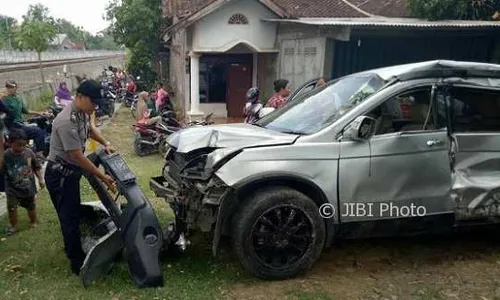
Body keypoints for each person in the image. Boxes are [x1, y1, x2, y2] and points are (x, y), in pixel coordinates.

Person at [44, 79, 117, 275]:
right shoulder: (66, 121)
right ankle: (77, 263)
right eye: (93, 102)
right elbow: (76, 155)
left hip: (70, 172)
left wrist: (105, 142)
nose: (95, 106)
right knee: (69, 217)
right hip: (60, 173)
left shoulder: (82, 112)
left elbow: (90, 130)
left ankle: (71, 247)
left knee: (71, 213)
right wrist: (102, 177)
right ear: (80, 97)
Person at [1, 129, 43, 235]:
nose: (21, 148)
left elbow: (36, 167)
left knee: (31, 206)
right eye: (18, 145)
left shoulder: (29, 153)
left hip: (28, 187)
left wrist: (41, 179)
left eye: (23, 145)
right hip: (12, 188)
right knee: (11, 207)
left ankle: (33, 221)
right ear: (10, 143)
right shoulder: (6, 155)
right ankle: (14, 226)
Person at [3, 80, 49, 157]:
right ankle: (39, 155)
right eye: (8, 87)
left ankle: (33, 151)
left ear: (16, 88)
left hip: (20, 124)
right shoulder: (4, 99)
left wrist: (40, 113)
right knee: (39, 132)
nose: (9, 89)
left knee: (36, 127)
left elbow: (26, 111)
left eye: (12, 87)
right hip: (12, 126)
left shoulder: (18, 98)